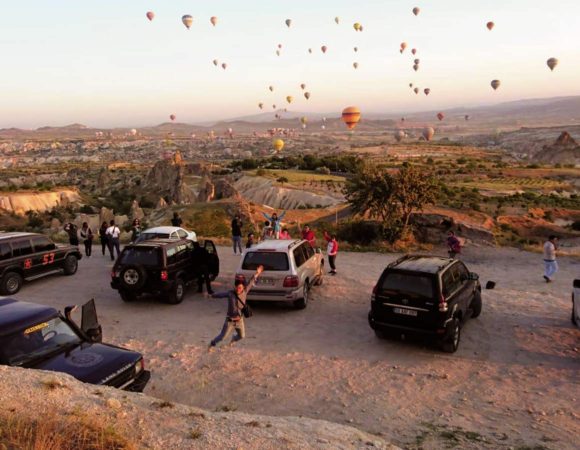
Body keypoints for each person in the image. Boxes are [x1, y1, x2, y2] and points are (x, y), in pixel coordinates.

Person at [209, 265, 264, 349]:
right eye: (237, 287)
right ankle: (211, 344)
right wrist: (211, 295)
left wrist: (257, 273)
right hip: (229, 321)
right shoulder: (230, 293)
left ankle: (233, 340)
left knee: (241, 336)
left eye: (240, 288)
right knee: (222, 337)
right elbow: (220, 295)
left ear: (243, 288)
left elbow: (251, 281)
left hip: (240, 320)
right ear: (235, 287)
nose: (238, 289)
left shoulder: (245, 292)